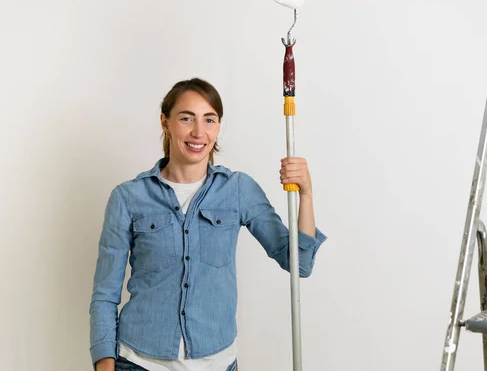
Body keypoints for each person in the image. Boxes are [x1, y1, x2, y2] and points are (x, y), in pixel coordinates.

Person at [89, 78, 328, 371]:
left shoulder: (238, 190)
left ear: (218, 126)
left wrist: (306, 193)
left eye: (209, 120)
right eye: (186, 118)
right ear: (165, 122)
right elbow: (105, 294)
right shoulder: (128, 197)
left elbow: (300, 263)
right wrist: (104, 364)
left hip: (218, 363)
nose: (198, 132)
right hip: (140, 362)